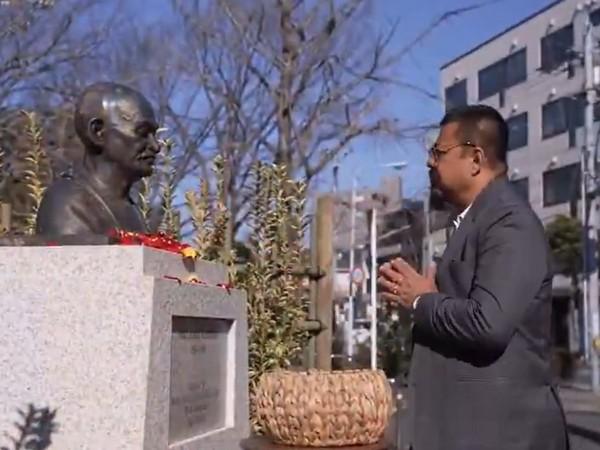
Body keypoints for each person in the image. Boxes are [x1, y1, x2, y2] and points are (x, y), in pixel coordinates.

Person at [378, 104, 569, 450]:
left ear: (475, 159)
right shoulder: (479, 220)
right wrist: (435, 297)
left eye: (439, 152)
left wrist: (421, 299)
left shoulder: (509, 222)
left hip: (502, 436)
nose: (429, 163)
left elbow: (488, 324)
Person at [35, 82, 160, 236]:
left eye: (154, 134)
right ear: (97, 132)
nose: (155, 146)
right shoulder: (67, 204)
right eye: (142, 132)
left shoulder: (131, 208)